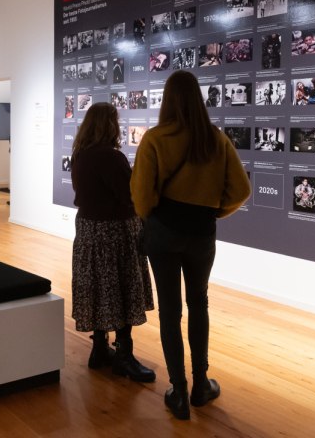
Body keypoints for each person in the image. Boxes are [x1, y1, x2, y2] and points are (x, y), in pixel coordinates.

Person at [130, 71, 251, 420]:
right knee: (199, 303)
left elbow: (140, 197)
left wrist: (155, 212)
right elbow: (241, 190)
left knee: (170, 311)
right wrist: (214, 211)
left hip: (163, 233)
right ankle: (201, 384)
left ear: (167, 100)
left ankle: (179, 391)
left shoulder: (154, 139)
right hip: (202, 233)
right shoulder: (215, 139)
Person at [71, 102, 155, 383]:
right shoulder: (112, 157)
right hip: (115, 231)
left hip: (88, 230)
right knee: (121, 288)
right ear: (110, 125)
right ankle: (123, 356)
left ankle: (99, 349)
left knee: (97, 287)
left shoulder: (81, 155)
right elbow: (129, 196)